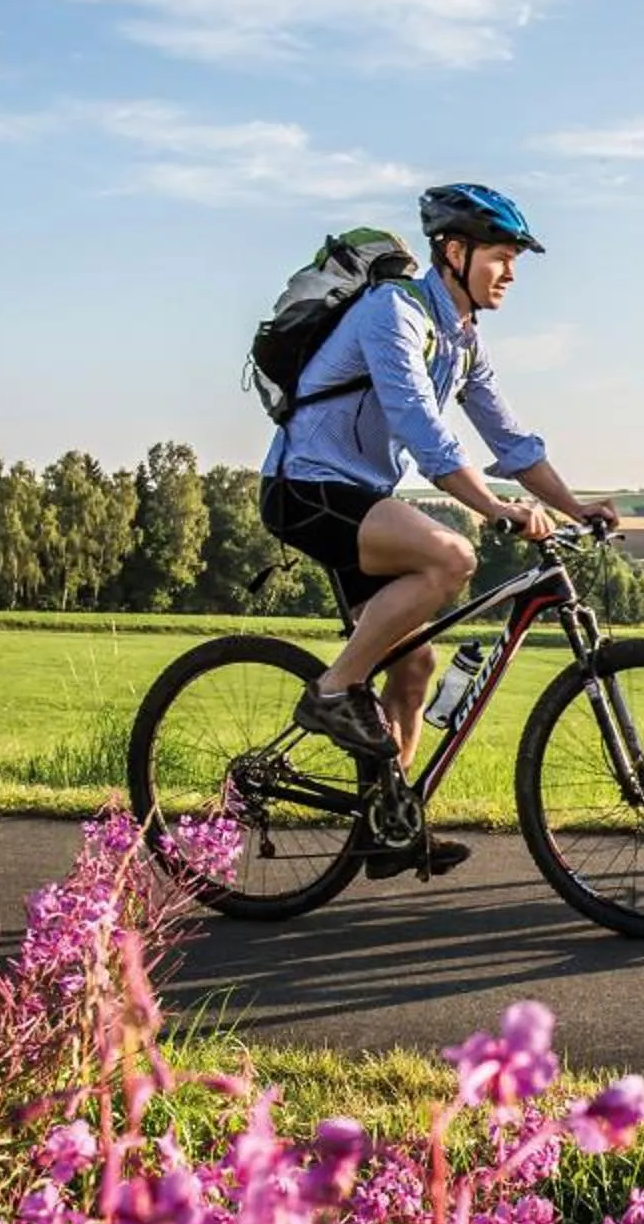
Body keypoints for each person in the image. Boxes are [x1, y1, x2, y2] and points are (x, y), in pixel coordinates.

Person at [258, 183, 617, 873]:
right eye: (500, 258)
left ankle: (387, 825)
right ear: (453, 252)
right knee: (450, 557)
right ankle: (332, 694)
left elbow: (511, 440)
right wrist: (496, 510)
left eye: (515, 260)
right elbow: (423, 427)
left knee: (416, 664)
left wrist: (575, 508)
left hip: (358, 498)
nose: (510, 273)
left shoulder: (462, 339)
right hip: (306, 488)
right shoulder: (392, 311)